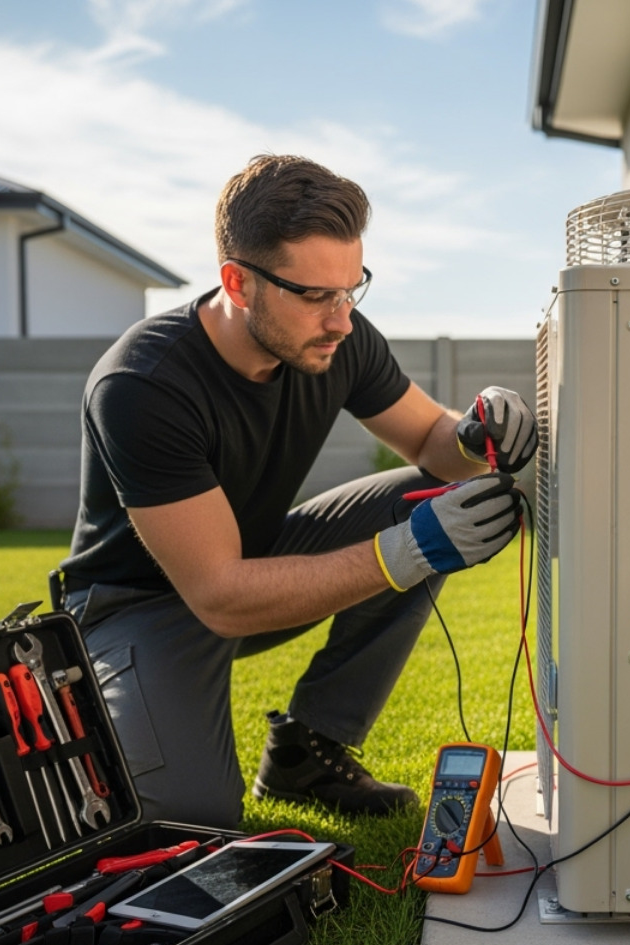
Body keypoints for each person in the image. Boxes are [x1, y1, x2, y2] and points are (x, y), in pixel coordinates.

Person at [55, 154, 536, 829]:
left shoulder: (338, 340)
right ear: (238, 282)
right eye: (314, 296)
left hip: (254, 564)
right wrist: (409, 552)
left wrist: (476, 433)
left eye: (352, 289)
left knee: (422, 498)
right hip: (138, 606)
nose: (341, 320)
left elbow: (434, 443)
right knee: (188, 819)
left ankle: (306, 757)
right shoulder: (141, 385)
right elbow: (219, 596)